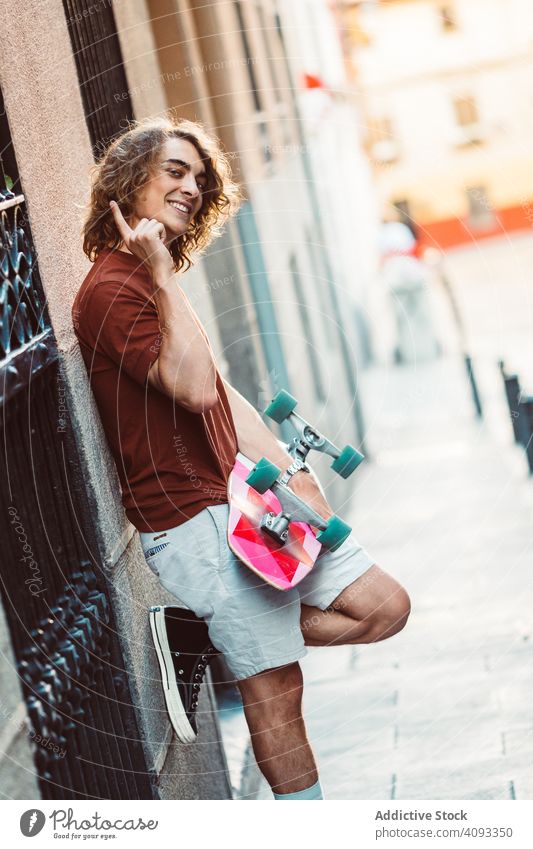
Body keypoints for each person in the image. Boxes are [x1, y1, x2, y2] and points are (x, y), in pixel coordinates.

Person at [72, 117, 411, 801]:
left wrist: (291, 470)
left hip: (243, 500)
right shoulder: (111, 289)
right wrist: (165, 280)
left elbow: (219, 391)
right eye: (174, 170)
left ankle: (206, 632)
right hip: (192, 517)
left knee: (383, 606)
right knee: (277, 690)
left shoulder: (150, 277)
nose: (191, 186)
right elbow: (193, 388)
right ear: (128, 179)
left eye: (198, 177)